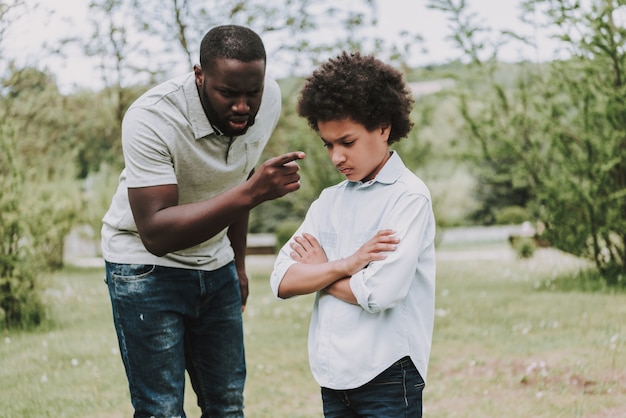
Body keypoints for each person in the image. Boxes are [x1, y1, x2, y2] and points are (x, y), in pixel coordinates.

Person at [101, 25, 304, 417]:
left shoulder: (271, 99)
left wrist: (238, 263)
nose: (243, 106)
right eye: (228, 93)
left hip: (216, 265)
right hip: (144, 269)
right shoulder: (152, 117)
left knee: (227, 404)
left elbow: (238, 178)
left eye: (252, 92)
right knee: (161, 409)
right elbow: (156, 232)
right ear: (200, 76)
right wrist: (254, 192)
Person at [269, 51, 436, 417]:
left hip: (389, 375)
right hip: (332, 377)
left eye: (347, 142)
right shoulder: (328, 201)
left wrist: (321, 272)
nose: (336, 157)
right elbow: (281, 281)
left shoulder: (408, 197)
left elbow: (379, 293)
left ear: (383, 127)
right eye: (328, 144)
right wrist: (347, 265)